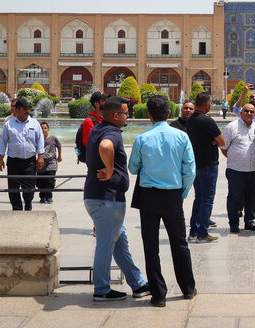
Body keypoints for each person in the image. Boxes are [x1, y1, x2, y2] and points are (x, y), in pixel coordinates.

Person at [128, 95, 197, 307]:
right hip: (173, 195)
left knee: (151, 246)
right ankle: (187, 289)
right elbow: (190, 170)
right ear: (169, 113)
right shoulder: (181, 137)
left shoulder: (142, 138)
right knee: (179, 243)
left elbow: (133, 168)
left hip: (149, 196)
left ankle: (159, 295)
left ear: (149, 115)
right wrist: (183, 193)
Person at [84, 96, 149, 301]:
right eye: (125, 112)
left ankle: (138, 284)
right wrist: (111, 170)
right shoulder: (112, 133)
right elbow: (105, 147)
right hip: (107, 200)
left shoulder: (98, 127)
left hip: (99, 198)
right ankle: (102, 289)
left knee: (120, 243)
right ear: (115, 115)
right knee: (106, 244)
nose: (127, 115)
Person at [186, 92, 225, 243]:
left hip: (196, 164)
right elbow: (222, 141)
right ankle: (203, 233)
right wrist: (214, 141)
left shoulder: (190, 120)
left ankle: (193, 231)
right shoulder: (207, 120)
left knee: (199, 198)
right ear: (207, 103)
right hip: (208, 164)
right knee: (207, 199)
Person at [221, 102, 255, 233]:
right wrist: (236, 159)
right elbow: (223, 147)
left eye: (251, 112)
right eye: (246, 111)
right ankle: (234, 223)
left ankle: (249, 222)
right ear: (241, 112)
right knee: (234, 197)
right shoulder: (232, 127)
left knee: (251, 197)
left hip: (253, 169)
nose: (249, 113)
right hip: (236, 170)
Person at [0, 97, 44, 211]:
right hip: (14, 162)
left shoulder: (35, 123)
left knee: (29, 188)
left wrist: (41, 157)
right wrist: (0, 159)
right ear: (17, 110)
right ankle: (17, 209)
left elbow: (40, 141)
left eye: (28, 108)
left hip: (30, 162)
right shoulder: (9, 124)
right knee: (13, 188)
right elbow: (2, 142)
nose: (27, 110)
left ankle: (28, 204)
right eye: (24, 108)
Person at [233, 87, 255, 218]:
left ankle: (251, 208)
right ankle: (239, 208)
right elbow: (236, 108)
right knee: (243, 181)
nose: (254, 99)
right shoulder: (245, 112)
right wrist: (244, 93)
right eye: (252, 97)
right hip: (246, 152)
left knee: (254, 183)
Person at [38, 122, 61, 204]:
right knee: (40, 181)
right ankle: (42, 196)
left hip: (51, 163)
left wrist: (59, 156)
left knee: (50, 180)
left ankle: (49, 196)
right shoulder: (37, 139)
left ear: (48, 129)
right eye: (41, 128)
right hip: (40, 164)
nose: (43, 130)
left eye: (45, 128)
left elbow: (59, 146)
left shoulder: (53, 138)